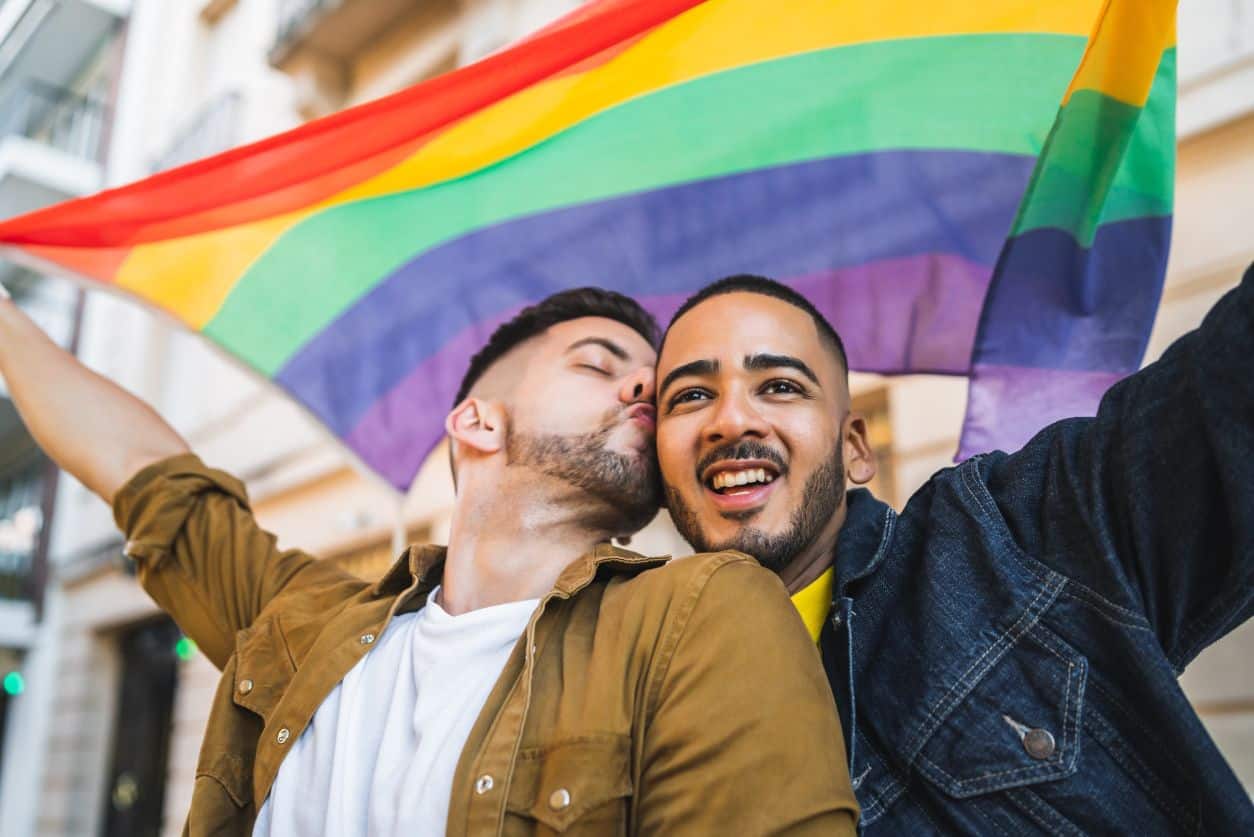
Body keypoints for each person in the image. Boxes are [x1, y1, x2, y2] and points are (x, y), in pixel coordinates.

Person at [0, 285, 858, 835]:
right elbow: (145, 473)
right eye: (603, 364)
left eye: (661, 387)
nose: (646, 389)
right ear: (478, 422)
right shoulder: (306, 622)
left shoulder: (699, 616)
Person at [653, 267, 1254, 833]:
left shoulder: (1010, 543)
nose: (730, 420)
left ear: (855, 449)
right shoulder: (651, 721)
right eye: (689, 397)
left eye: (780, 386)